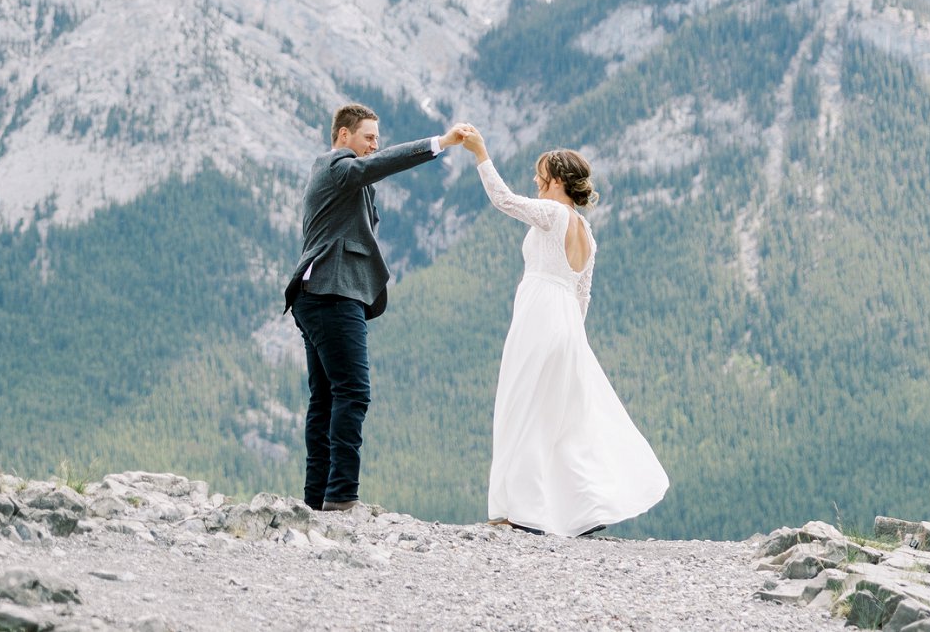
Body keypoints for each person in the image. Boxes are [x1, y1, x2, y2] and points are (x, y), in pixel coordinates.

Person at [456, 124, 669, 537]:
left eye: (541, 176)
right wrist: (572, 338)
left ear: (556, 180)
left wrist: (481, 153)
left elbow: (503, 200)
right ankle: (583, 509)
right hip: (567, 323)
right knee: (561, 419)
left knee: (522, 408)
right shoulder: (587, 233)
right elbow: (582, 295)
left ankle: (522, 510)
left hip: (539, 315)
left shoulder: (554, 214)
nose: (536, 182)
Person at [284, 102, 466, 511]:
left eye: (376, 140)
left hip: (317, 294)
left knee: (327, 397)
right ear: (343, 135)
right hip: (333, 292)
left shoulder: (343, 180)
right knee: (354, 392)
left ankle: (318, 498)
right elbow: (374, 166)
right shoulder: (336, 167)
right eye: (368, 137)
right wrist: (440, 143)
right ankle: (342, 495)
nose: (373, 146)